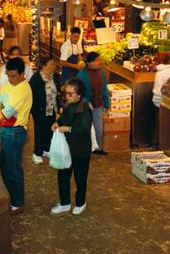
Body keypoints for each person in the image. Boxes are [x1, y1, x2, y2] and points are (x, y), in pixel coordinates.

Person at [0, 57, 33, 216]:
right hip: (6, 130)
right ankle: (9, 198)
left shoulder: (24, 89)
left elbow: (4, 111)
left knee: (14, 169)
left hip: (15, 132)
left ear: (23, 74)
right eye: (9, 76)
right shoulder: (10, 85)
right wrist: (1, 112)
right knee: (5, 166)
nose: (11, 79)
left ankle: (17, 203)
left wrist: (1, 112)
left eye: (14, 76)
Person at [51, 77, 92, 216]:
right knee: (63, 175)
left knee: (80, 178)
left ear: (79, 95)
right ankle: (65, 203)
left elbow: (84, 129)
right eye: (66, 93)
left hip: (81, 150)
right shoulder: (68, 105)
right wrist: (57, 122)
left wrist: (68, 129)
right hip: (67, 147)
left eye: (70, 94)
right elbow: (63, 118)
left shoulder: (85, 108)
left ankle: (80, 203)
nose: (67, 96)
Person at [77, 51, 110, 155]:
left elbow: (104, 87)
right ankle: (85, 148)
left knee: (98, 127)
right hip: (85, 105)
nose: (98, 62)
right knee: (85, 127)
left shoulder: (100, 72)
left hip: (98, 103)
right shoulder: (82, 75)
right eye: (96, 61)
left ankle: (98, 148)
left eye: (99, 60)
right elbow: (78, 91)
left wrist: (106, 102)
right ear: (89, 62)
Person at [29, 58, 59, 165]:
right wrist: (33, 110)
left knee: (49, 130)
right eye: (51, 64)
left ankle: (47, 149)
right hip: (40, 110)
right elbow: (31, 95)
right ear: (43, 66)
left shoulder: (53, 76)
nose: (53, 66)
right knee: (39, 131)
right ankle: (37, 153)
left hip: (51, 109)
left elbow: (56, 91)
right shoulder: (36, 78)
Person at [151, 52, 170, 147]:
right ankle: (162, 144)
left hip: (156, 99)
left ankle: (155, 143)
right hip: (163, 101)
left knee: (158, 123)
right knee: (164, 125)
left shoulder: (160, 70)